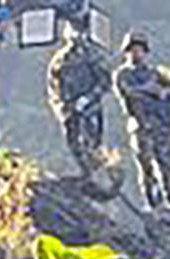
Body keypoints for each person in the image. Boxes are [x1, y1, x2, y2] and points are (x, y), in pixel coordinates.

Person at [113, 35, 170, 210]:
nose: (137, 53)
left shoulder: (156, 74)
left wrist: (161, 92)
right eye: (133, 49)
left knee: (167, 164)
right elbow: (128, 92)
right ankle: (152, 202)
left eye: (140, 49)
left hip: (161, 126)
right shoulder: (123, 73)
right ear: (127, 52)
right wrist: (149, 89)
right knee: (146, 166)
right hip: (140, 125)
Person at [48, 14, 115, 191]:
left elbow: (105, 81)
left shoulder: (92, 55)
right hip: (69, 109)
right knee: (73, 142)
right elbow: (53, 86)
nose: (75, 35)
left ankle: (100, 175)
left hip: (90, 109)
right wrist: (60, 107)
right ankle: (86, 174)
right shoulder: (60, 59)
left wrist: (89, 98)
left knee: (92, 143)